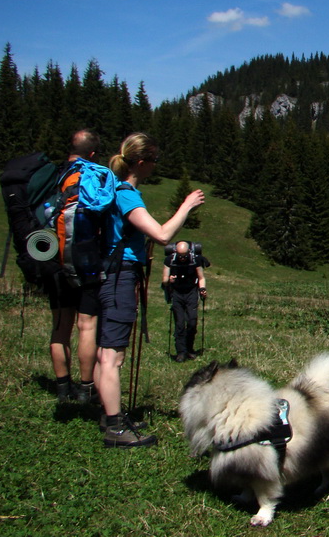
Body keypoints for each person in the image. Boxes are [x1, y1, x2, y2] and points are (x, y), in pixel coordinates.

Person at [97, 132, 204, 448]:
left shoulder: (113, 189)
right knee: (113, 356)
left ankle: (110, 415)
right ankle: (115, 429)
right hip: (120, 275)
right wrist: (186, 205)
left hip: (110, 272)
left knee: (108, 350)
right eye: (154, 161)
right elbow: (161, 234)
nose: (156, 167)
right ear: (141, 162)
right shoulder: (126, 193)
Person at [46, 129, 102, 404]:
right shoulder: (92, 174)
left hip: (53, 259)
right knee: (86, 326)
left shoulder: (52, 175)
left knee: (60, 326)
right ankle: (86, 387)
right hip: (85, 261)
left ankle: (61, 387)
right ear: (91, 153)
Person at [162, 241, 208, 363]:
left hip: (191, 292)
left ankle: (189, 348)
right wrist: (169, 280)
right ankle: (181, 352)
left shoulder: (195, 260)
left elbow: (201, 277)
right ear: (176, 252)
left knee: (192, 322)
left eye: (184, 256)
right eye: (180, 255)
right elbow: (164, 280)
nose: (182, 258)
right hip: (177, 293)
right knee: (180, 324)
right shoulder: (169, 260)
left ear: (189, 252)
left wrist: (202, 289)